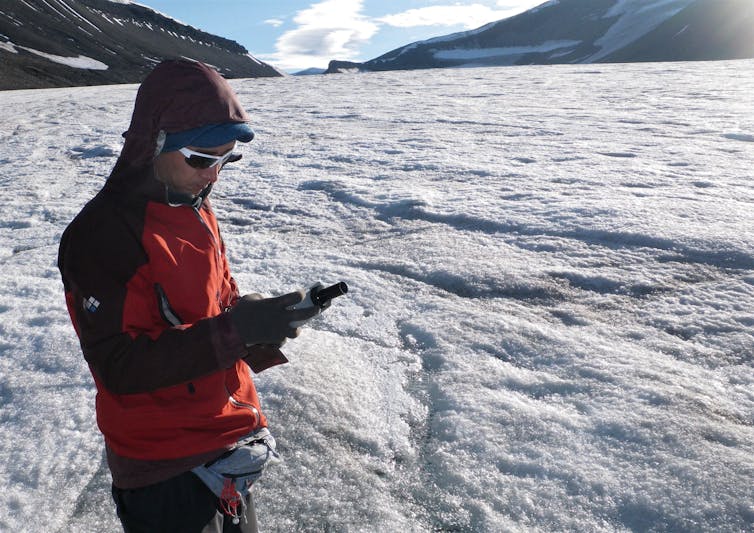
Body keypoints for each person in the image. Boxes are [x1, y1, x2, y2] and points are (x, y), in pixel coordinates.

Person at [58, 59, 319, 532]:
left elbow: (212, 305)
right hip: (164, 468)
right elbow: (118, 365)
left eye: (226, 159)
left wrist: (256, 322)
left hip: (228, 437)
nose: (214, 174)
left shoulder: (193, 205)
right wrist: (233, 332)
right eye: (202, 158)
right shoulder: (103, 236)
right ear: (153, 142)